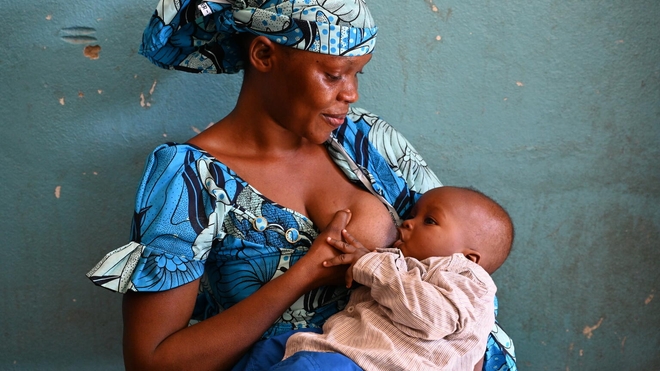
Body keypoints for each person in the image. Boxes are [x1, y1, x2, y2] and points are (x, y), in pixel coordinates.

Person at [86, 0, 517, 370]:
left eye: (357, 74)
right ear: (263, 54)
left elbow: (468, 274)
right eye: (333, 74)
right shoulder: (187, 178)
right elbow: (153, 362)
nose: (350, 94)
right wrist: (304, 273)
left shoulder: (368, 142)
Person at [233, 186, 513, 370]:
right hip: (336, 348)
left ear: (470, 257)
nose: (408, 222)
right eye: (413, 214)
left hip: (373, 365)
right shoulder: (402, 263)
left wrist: (369, 262)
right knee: (265, 353)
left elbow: (433, 318)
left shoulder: (466, 276)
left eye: (429, 221)